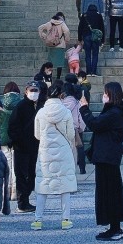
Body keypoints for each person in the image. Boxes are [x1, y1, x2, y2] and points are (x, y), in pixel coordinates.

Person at [80, 81, 123, 239]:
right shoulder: (114, 111)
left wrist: (84, 108)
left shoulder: (114, 113)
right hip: (107, 157)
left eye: (106, 93)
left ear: (112, 95)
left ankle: (114, 228)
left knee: (109, 193)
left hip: (107, 157)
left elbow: (94, 124)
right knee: (110, 192)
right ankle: (114, 226)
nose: (104, 96)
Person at [31, 88, 77, 230]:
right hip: (63, 152)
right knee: (65, 186)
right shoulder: (66, 112)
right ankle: (66, 219)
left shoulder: (40, 112)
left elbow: (37, 135)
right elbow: (70, 135)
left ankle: (38, 220)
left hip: (45, 153)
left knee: (43, 185)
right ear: (61, 96)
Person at [8, 82, 41, 213]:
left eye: (36, 90)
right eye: (32, 90)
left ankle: (25, 200)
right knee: (22, 175)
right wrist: (18, 141)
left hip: (33, 146)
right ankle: (22, 202)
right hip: (22, 147)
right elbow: (13, 126)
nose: (34, 92)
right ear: (26, 91)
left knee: (31, 174)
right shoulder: (21, 106)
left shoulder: (36, 106)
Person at [61, 77, 88, 175]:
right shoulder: (77, 103)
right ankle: (82, 168)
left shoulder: (61, 104)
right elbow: (81, 117)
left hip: (64, 128)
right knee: (80, 147)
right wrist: (81, 128)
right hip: (76, 128)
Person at [78, 0, 105, 76]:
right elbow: (102, 28)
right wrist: (103, 39)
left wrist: (79, 38)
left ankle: (88, 72)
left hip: (86, 36)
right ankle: (94, 72)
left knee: (88, 54)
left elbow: (80, 27)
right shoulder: (99, 15)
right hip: (96, 37)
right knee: (95, 54)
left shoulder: (84, 15)